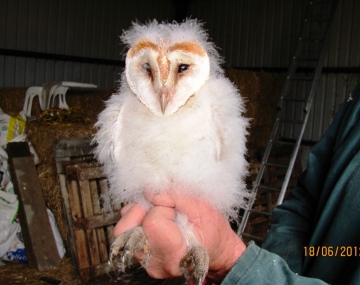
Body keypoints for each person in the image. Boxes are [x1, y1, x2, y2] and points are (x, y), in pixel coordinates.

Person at [114, 84, 360, 285]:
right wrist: (272, 266)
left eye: (181, 68)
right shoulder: (356, 103)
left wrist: (236, 262)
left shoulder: (213, 107)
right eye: (148, 69)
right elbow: (304, 203)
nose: (165, 85)